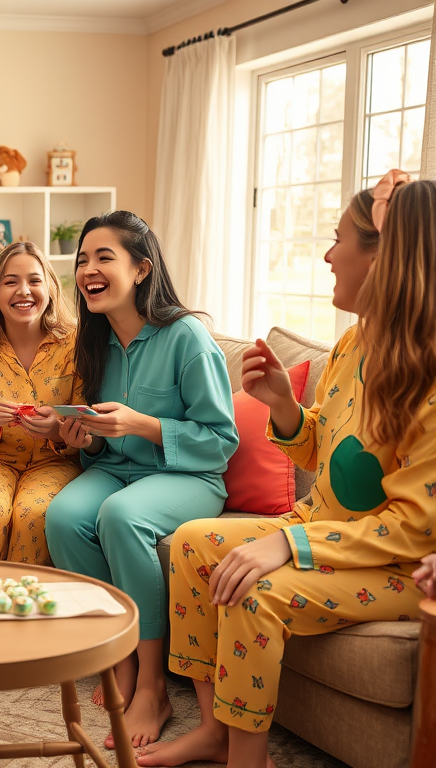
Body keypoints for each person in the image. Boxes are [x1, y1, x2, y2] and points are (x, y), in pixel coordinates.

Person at [140, 174, 436, 768]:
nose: (328, 255)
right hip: (321, 534)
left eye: (340, 240)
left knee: (258, 592)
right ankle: (216, 732)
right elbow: (327, 454)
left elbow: (415, 529)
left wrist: (288, 543)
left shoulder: (426, 375)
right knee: (196, 544)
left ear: (384, 257)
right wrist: (283, 407)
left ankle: (248, 760)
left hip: (396, 568)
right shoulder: (354, 344)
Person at [44, 211, 238, 749]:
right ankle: (121, 657)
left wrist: (143, 424)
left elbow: (220, 440)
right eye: (82, 259)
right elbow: (105, 438)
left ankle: (152, 684)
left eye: (104, 257)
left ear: (143, 269)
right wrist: (84, 438)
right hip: (116, 469)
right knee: (62, 516)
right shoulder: (96, 339)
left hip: (189, 475)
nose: (88, 270)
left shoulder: (186, 336)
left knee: (122, 516)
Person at [0, 241, 82, 563]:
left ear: (51, 288)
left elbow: (85, 420)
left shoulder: (76, 343)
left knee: (34, 514)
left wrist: (57, 429)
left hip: (54, 462)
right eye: (10, 281)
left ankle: (19, 606)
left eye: (34, 280)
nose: (23, 291)